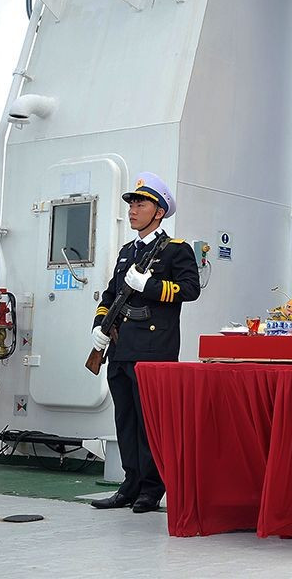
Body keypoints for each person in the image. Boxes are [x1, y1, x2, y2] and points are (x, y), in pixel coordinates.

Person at [88, 172, 201, 514]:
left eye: (142, 203)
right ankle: (130, 483)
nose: (134, 209)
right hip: (121, 347)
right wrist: (99, 326)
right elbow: (111, 294)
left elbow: (190, 290)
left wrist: (149, 285)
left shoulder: (176, 250)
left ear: (160, 211)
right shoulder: (127, 252)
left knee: (150, 421)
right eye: (133, 203)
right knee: (125, 419)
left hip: (154, 350)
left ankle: (152, 488)